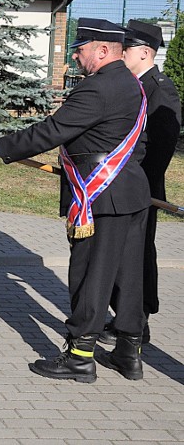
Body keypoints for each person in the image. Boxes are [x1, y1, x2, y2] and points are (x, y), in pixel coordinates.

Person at [0, 18, 150, 382]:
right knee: (127, 277)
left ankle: (80, 357)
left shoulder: (98, 88)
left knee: (91, 275)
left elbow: (52, 131)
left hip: (101, 195)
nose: (75, 56)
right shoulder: (131, 84)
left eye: (81, 49)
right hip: (131, 192)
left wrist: (0, 147)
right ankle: (129, 354)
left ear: (102, 50)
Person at [100, 20, 181, 346]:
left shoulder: (159, 89)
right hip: (123, 184)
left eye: (127, 47)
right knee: (122, 255)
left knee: (137, 255)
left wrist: (134, 184)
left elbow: (160, 149)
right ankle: (126, 316)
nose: (122, 53)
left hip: (142, 189)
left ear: (145, 52)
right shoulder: (131, 84)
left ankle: (137, 322)